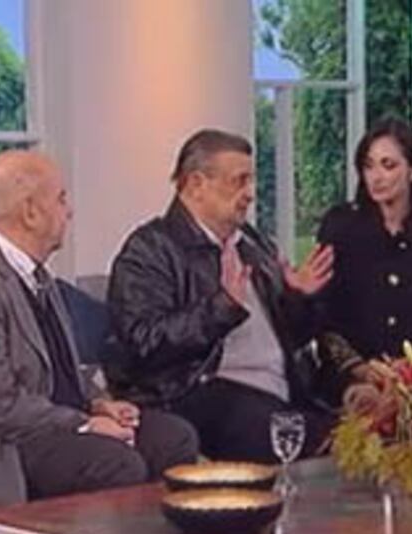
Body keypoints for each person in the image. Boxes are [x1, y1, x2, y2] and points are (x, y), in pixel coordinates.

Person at [0, 150, 198, 509]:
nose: (70, 211)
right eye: (61, 199)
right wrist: (83, 424)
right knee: (114, 463)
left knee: (172, 438)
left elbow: (56, 370)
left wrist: (98, 405)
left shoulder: (36, 273)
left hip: (43, 422)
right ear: (31, 212)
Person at [105, 129, 335, 464]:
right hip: (196, 393)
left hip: (281, 389)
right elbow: (144, 344)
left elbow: (294, 338)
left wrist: (300, 297)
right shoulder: (150, 250)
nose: (250, 194)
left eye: (251, 181)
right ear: (196, 184)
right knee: (308, 439)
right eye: (239, 182)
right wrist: (222, 308)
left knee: (359, 435)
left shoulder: (253, 244)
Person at [314, 117, 412, 385]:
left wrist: (410, 365)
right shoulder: (341, 225)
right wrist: (358, 368)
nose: (376, 177)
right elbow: (321, 315)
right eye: (369, 166)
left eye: (388, 165)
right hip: (346, 377)